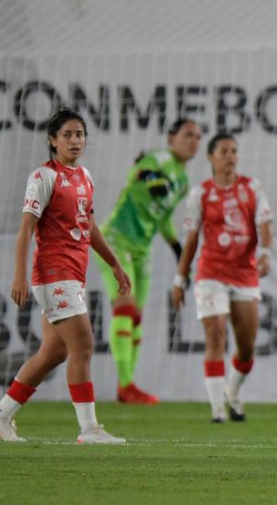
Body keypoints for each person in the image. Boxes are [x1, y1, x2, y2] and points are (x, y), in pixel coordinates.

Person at [0, 109, 131, 444]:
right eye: (67, 134)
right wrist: (19, 275)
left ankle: (0, 415)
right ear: (52, 140)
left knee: (54, 352)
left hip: (73, 274)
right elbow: (25, 230)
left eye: (79, 134)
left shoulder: (85, 177)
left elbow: (89, 226)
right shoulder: (43, 177)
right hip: (53, 273)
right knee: (83, 344)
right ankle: (89, 429)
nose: (75, 140)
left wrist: (113, 263)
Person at [96, 118, 202, 405]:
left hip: (142, 249)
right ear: (171, 138)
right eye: (188, 135)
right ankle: (125, 383)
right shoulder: (159, 157)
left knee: (137, 317)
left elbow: (163, 216)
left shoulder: (182, 181)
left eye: (197, 137)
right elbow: (138, 173)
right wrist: (151, 179)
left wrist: (177, 248)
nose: (194, 141)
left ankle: (127, 386)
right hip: (116, 241)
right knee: (125, 309)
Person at [171, 133, 273, 423]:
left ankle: (232, 390)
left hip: (244, 273)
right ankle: (217, 408)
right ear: (211, 157)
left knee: (247, 347)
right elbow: (191, 240)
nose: (231, 156)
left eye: (234, 151)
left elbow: (264, 225)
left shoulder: (252, 188)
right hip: (211, 273)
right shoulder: (200, 193)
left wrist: (265, 254)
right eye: (225, 151)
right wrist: (180, 278)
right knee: (215, 336)